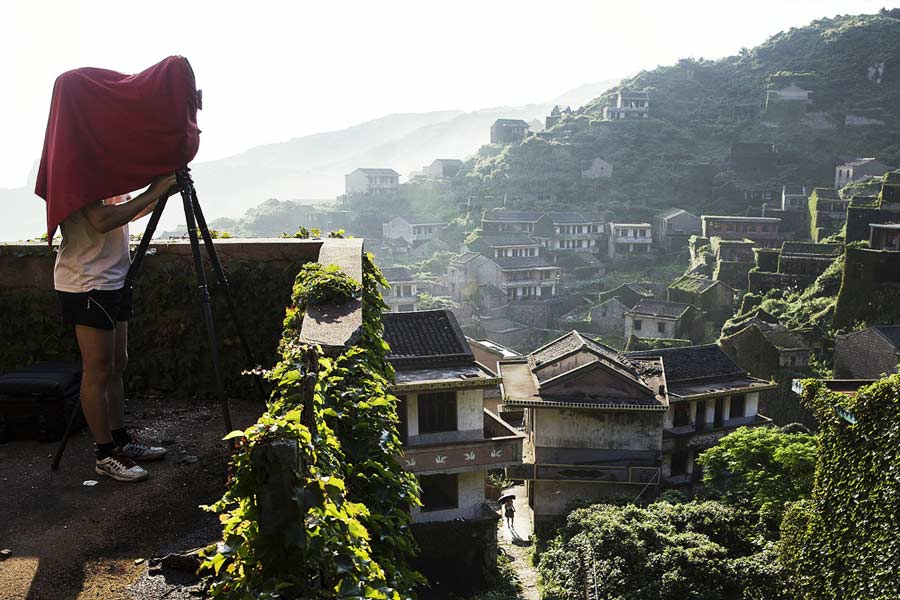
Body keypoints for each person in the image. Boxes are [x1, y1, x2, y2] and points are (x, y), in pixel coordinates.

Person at [55, 174, 180, 482]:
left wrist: (162, 192)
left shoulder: (104, 166)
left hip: (115, 278)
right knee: (97, 370)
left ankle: (120, 438)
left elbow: (126, 211)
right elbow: (100, 219)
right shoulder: (76, 170)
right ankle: (105, 454)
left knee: (116, 365)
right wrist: (154, 189)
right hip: (86, 283)